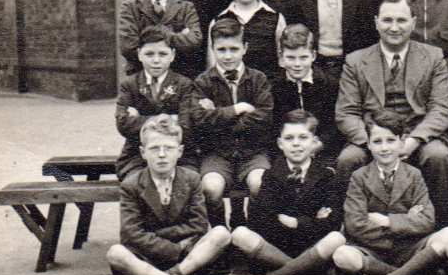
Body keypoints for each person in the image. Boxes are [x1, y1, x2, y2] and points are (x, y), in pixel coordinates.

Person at [335, 0, 448, 228]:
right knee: (348, 159)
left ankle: (444, 232)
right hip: (372, 135)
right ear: (376, 23)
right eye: (387, 20)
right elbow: (346, 113)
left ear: (413, 23)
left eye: (401, 20)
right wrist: (373, 142)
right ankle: (346, 229)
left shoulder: (433, 57)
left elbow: (440, 109)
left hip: (417, 134)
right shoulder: (356, 60)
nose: (394, 27)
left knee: (438, 157)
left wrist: (411, 142)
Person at [332, 110, 448, 275]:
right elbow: (355, 225)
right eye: (377, 141)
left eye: (391, 140)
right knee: (342, 255)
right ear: (368, 144)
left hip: (410, 248)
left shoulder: (414, 174)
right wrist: (407, 221)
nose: (384, 148)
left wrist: (387, 222)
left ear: (402, 141)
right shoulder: (359, 177)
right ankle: (413, 274)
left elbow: (427, 220)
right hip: (373, 249)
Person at [106, 115, 231, 275]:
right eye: (154, 148)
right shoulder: (131, 185)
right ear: (143, 152)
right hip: (149, 254)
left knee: (221, 233)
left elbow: (198, 225)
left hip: (187, 256)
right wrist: (173, 249)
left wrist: (164, 238)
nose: (162, 154)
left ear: (180, 151)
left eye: (169, 148)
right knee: (115, 253)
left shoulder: (192, 179)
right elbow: (131, 233)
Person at [227, 110, 345, 275]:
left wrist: (295, 222)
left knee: (336, 238)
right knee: (240, 234)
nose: (296, 144)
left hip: (311, 247)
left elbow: (332, 222)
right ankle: (306, 273)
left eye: (303, 138)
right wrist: (312, 219)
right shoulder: (269, 175)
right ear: (280, 144)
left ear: (314, 142)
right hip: (277, 249)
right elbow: (260, 221)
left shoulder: (327, 176)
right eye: (289, 138)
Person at [192, 18, 274, 227]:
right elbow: (199, 120)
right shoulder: (203, 82)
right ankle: (220, 233)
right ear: (212, 49)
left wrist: (219, 117)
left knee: (259, 183)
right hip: (217, 153)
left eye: (233, 49)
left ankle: (251, 230)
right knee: (210, 188)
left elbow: (264, 116)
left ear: (245, 48)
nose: (227, 56)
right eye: (221, 49)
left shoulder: (258, 79)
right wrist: (237, 109)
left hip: (252, 151)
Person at [115, 26, 197, 180]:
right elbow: (123, 124)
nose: (156, 60)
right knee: (138, 183)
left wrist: (142, 118)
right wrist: (170, 118)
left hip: (178, 157)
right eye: (149, 54)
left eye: (163, 54)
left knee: (186, 182)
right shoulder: (129, 85)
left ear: (172, 55)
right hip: (137, 156)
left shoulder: (184, 84)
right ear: (139, 54)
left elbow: (186, 126)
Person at [119, 0, 202, 80]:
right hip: (140, 79)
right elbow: (128, 47)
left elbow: (194, 43)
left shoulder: (186, 7)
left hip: (179, 78)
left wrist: (147, 35)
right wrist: (175, 35)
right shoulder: (130, 7)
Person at [271, 24, 342, 164]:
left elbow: (334, 125)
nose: (297, 64)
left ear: (313, 55)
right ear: (281, 57)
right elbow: (273, 127)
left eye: (303, 57)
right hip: (286, 151)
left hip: (322, 151)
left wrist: (318, 145)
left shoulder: (329, 84)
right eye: (291, 58)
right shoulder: (274, 86)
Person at [209, 0, 286, 80]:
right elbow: (212, 66)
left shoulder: (276, 19)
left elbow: (283, 62)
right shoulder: (218, 21)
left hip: (266, 91)